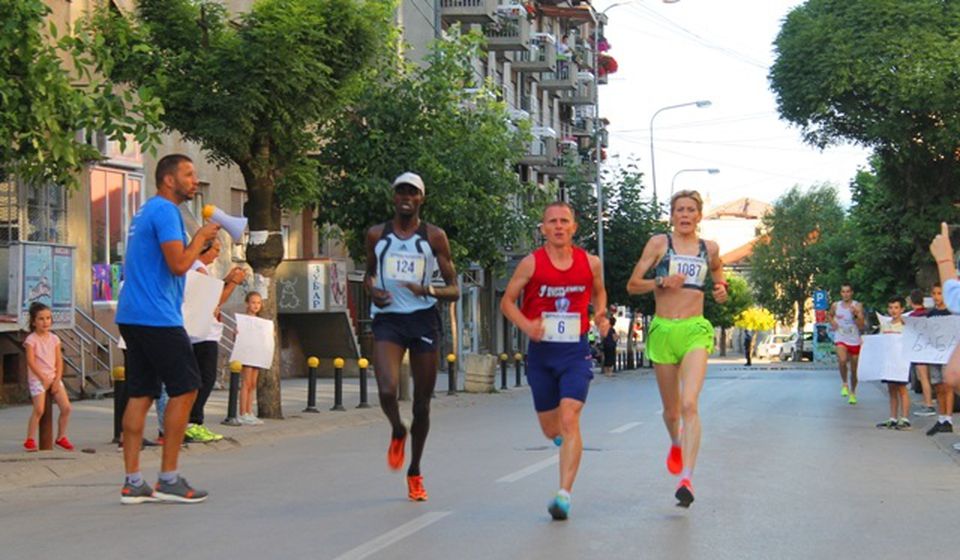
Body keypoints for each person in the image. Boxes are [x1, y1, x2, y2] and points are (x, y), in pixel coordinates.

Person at [116, 153, 219, 504]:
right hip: (157, 316)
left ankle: (133, 481)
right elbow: (178, 265)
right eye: (188, 175)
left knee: (141, 393)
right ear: (169, 180)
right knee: (187, 387)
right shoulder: (166, 212)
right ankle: (168, 478)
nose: (194, 180)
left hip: (132, 314)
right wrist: (201, 238)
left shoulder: (146, 210)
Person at [500, 201, 609, 520]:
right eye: (552, 222)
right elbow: (507, 302)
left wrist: (600, 314)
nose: (559, 226)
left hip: (575, 351)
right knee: (552, 429)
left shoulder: (590, 263)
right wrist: (527, 325)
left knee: (570, 417)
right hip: (542, 354)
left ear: (574, 227)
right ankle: (562, 440)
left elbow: (600, 293)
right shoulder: (530, 264)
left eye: (565, 221)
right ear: (543, 229)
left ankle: (564, 494)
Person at [626, 190, 728, 508]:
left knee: (689, 404)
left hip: (694, 330)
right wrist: (660, 282)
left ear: (699, 216)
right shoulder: (659, 245)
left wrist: (721, 288)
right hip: (663, 330)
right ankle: (675, 441)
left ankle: (687, 477)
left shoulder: (708, 248)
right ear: (672, 215)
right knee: (671, 412)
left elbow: (717, 272)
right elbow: (632, 285)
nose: (685, 215)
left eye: (691, 210)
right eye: (679, 210)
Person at [364, 172, 459, 502]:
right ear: (394, 197)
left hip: (423, 320)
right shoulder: (376, 235)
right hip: (388, 319)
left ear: (421, 198)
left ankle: (415, 470)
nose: (406, 196)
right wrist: (372, 292)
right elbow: (368, 275)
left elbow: (455, 289)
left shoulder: (434, 237)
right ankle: (396, 428)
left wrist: (427, 289)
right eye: (401, 191)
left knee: (421, 404)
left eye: (413, 192)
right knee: (388, 390)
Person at [184, 240, 246, 442]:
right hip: (201, 333)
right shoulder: (197, 269)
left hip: (202, 330)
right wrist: (234, 283)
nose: (217, 255)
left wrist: (227, 279)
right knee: (205, 378)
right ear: (203, 249)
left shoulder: (198, 268)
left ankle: (191, 421)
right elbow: (213, 301)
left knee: (202, 378)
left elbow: (211, 292)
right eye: (216, 250)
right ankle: (193, 421)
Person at [23, 302, 73, 452]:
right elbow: (30, 361)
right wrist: (42, 377)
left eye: (48, 318)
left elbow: (59, 360)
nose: (45, 322)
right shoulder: (31, 340)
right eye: (41, 319)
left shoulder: (54, 339)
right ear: (33, 321)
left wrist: (57, 379)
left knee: (66, 408)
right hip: (38, 378)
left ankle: (61, 436)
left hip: (53, 376)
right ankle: (30, 439)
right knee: (39, 409)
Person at [923, 284, 955, 436]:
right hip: (934, 354)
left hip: (948, 353)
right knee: (938, 385)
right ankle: (941, 418)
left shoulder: (952, 312)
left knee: (948, 386)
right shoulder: (931, 314)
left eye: (940, 293)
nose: (937, 296)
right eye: (934, 293)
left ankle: (948, 419)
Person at [875, 296, 910, 430]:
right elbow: (881, 341)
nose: (893, 310)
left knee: (902, 389)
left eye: (896, 307)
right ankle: (893, 418)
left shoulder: (906, 325)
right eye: (890, 307)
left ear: (902, 309)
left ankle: (905, 418)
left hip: (901, 362)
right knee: (891, 389)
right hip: (889, 362)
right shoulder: (885, 325)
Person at [828, 284, 865, 405]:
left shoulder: (857, 305)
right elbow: (829, 315)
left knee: (854, 370)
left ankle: (853, 392)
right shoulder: (836, 305)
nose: (845, 294)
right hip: (841, 337)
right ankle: (844, 383)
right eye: (843, 292)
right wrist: (833, 322)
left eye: (848, 292)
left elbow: (861, 325)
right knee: (842, 360)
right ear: (840, 293)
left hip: (854, 339)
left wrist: (855, 314)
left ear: (852, 293)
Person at [907, 289, 936, 416]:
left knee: (923, 378)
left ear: (911, 301)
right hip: (931, 349)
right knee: (931, 378)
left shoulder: (913, 317)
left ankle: (928, 404)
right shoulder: (928, 314)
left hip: (920, 350)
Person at [238, 291, 265, 425]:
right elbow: (237, 336)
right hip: (247, 353)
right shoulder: (243, 320)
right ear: (247, 303)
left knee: (253, 383)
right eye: (253, 302)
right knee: (246, 382)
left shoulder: (261, 321)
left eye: (258, 303)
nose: (256, 305)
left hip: (257, 353)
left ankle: (249, 411)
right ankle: (242, 412)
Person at [602, 310, 618, 376]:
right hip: (611, 346)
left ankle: (606, 372)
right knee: (611, 359)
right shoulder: (612, 330)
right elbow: (614, 338)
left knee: (606, 358)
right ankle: (610, 373)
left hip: (605, 345)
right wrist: (617, 337)